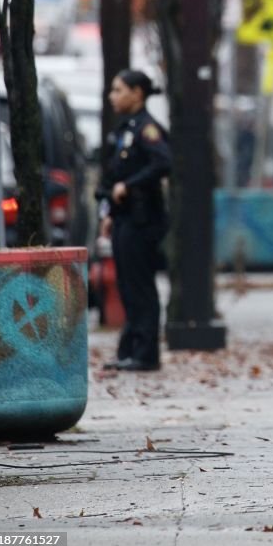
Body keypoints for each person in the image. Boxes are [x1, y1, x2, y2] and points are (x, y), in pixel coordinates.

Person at [99, 70, 171, 372]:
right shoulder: (126, 128)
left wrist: (129, 187)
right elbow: (115, 174)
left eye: (119, 90)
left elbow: (163, 162)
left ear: (137, 93)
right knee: (127, 286)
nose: (112, 96)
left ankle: (145, 352)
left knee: (140, 286)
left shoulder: (147, 129)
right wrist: (109, 213)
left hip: (143, 219)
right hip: (125, 217)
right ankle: (129, 348)